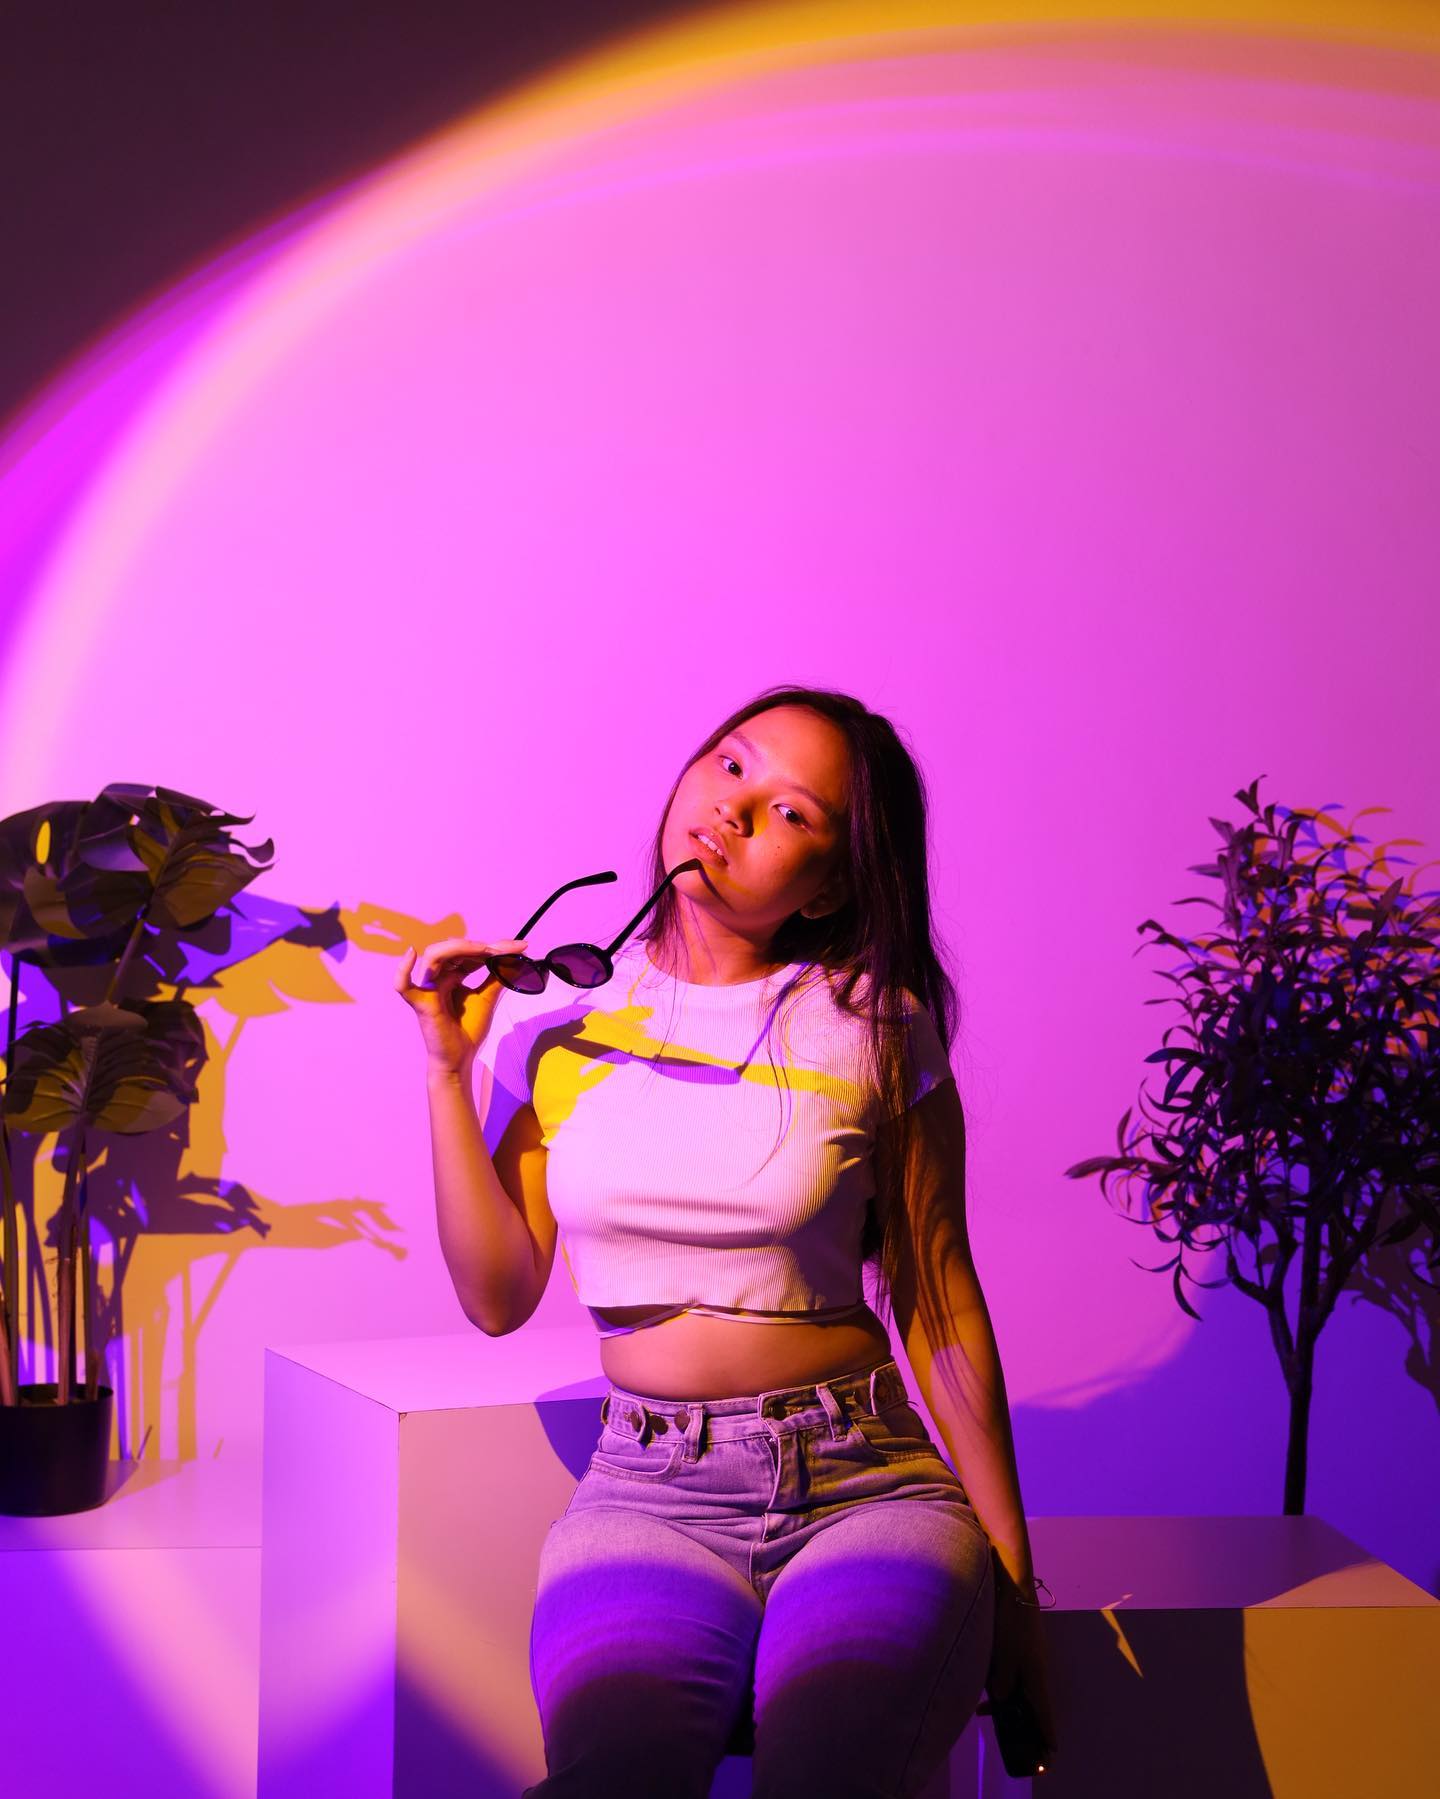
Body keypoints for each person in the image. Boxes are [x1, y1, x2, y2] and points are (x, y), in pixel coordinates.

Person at [396, 684, 1058, 1797]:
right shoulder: (556, 1020)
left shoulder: (875, 1024)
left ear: (833, 883)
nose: (736, 808)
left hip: (864, 1482)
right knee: (611, 1776)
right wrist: (444, 1070)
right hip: (647, 1491)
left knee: (830, 1775)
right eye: (732, 763)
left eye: (793, 811)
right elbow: (498, 1294)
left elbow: (940, 1301)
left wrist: (1016, 1585)